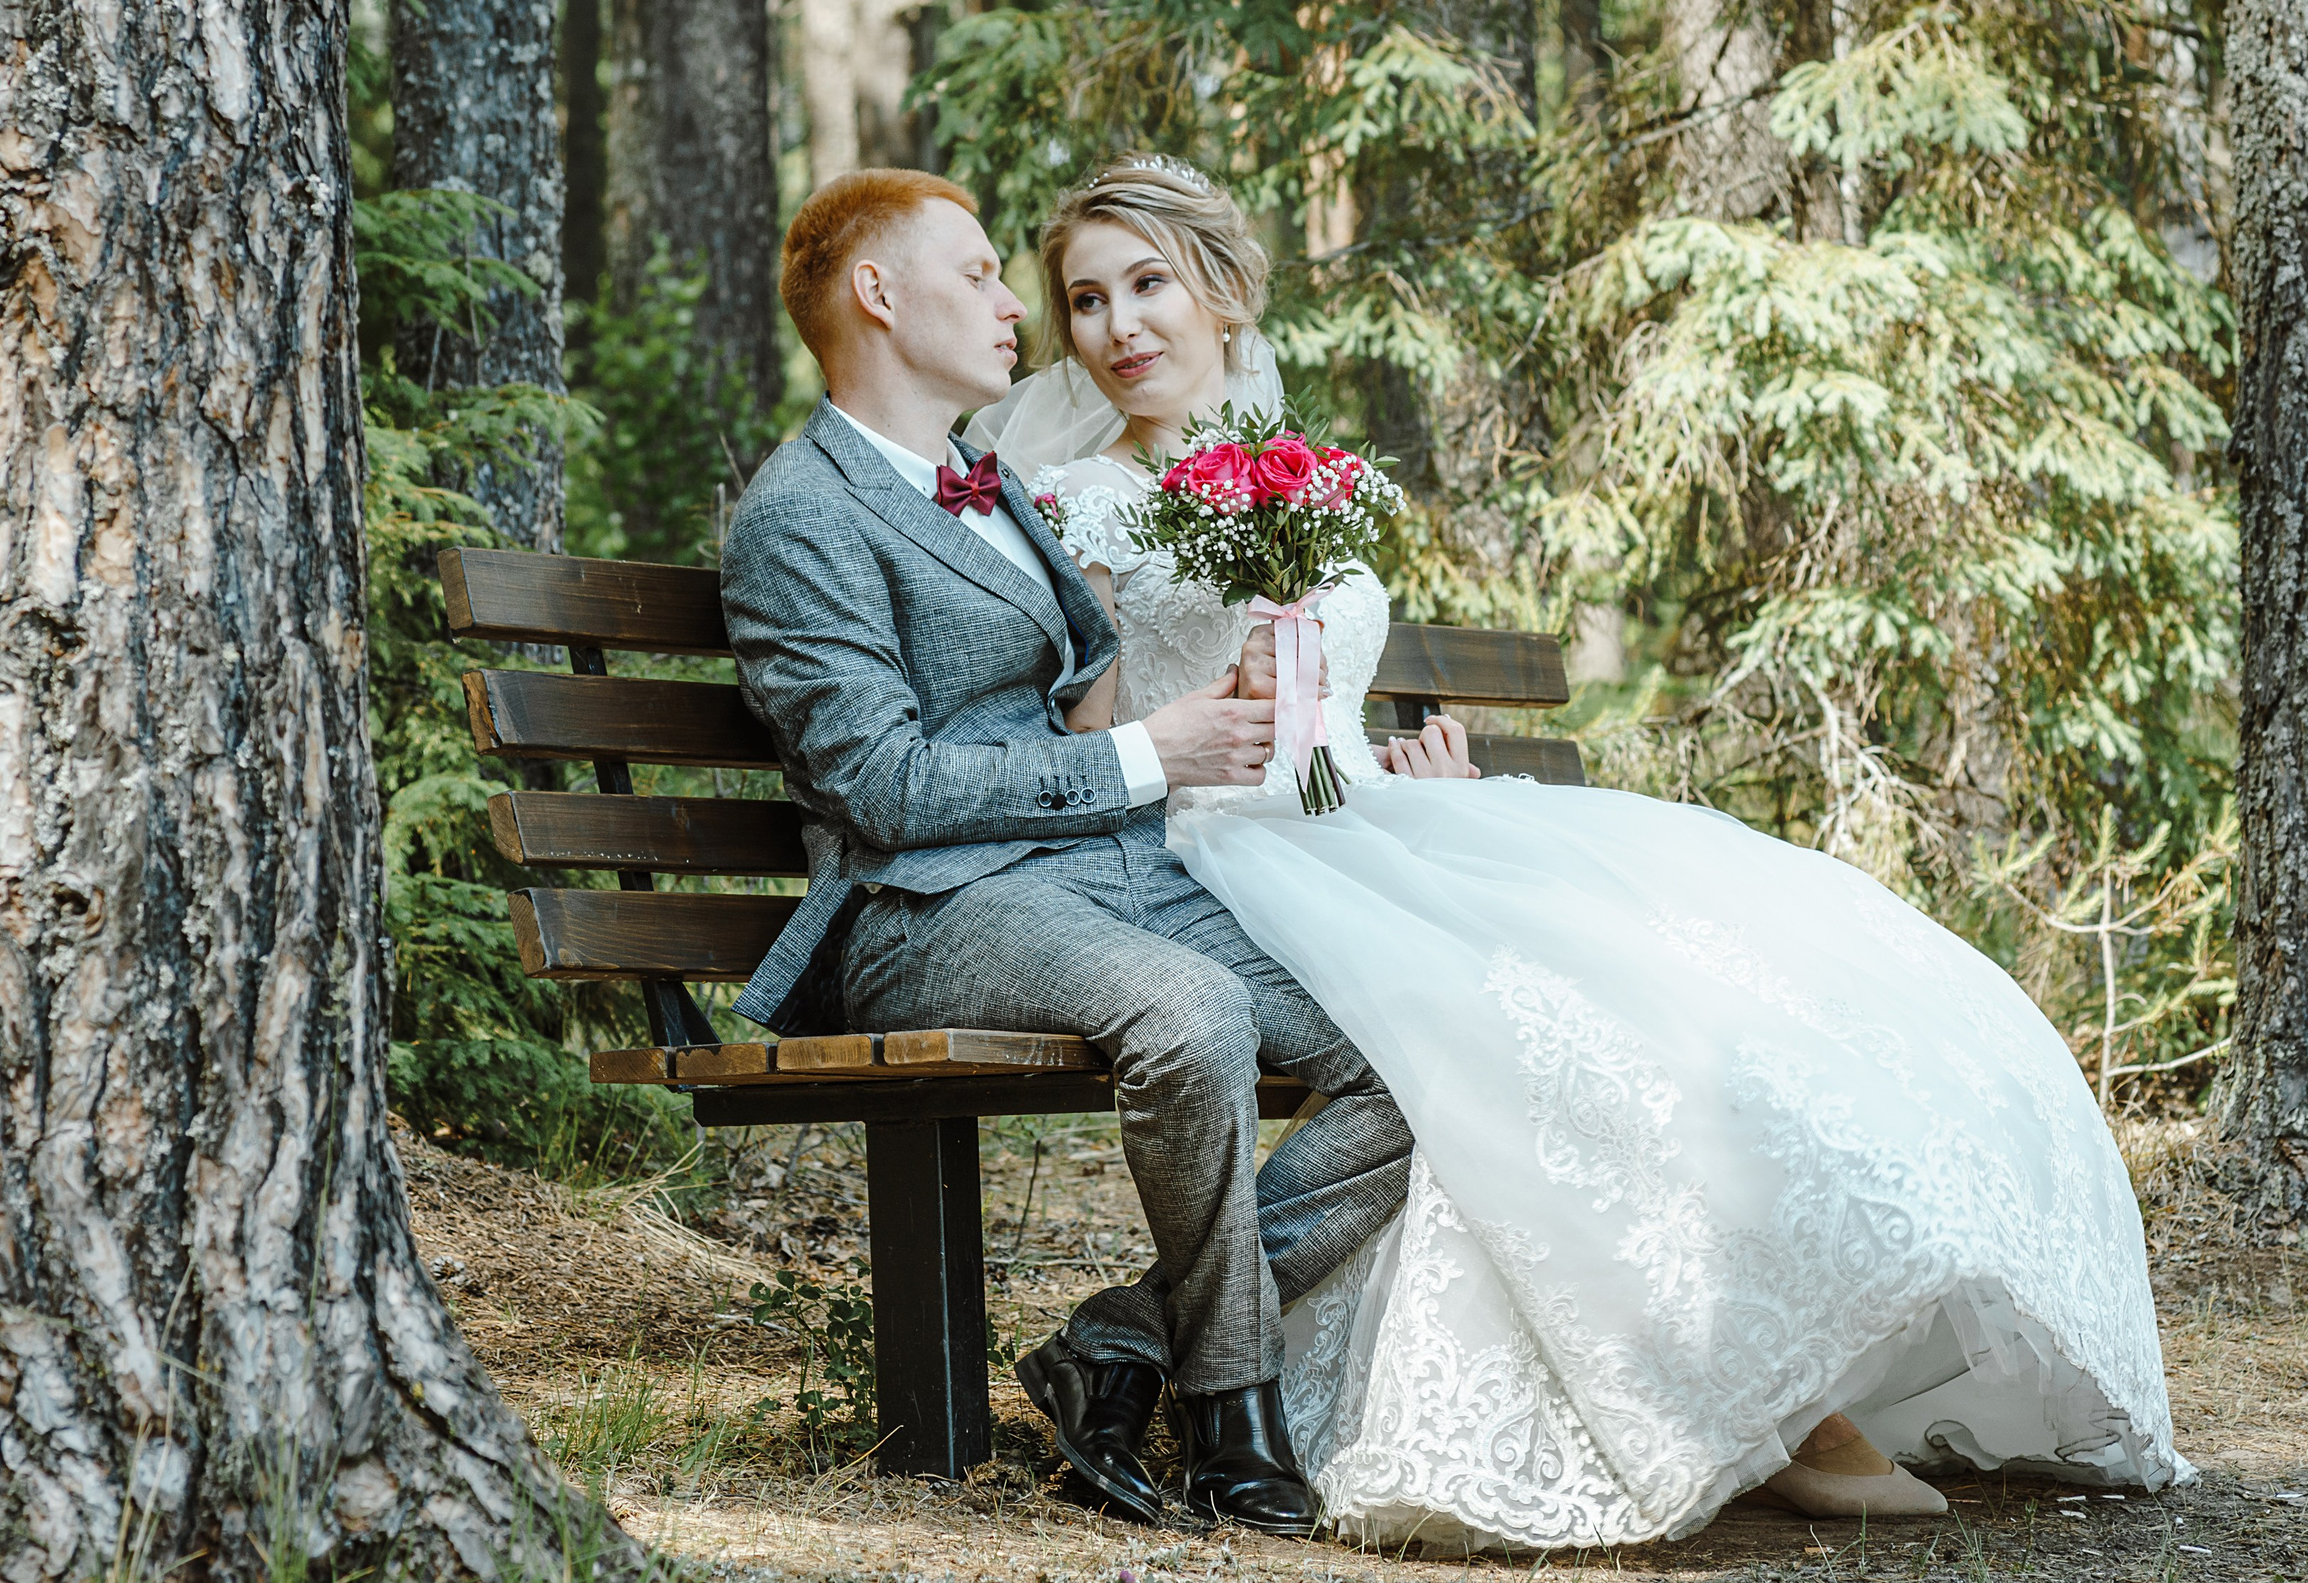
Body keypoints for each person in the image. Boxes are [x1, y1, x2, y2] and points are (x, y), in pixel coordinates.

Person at [965, 152, 2193, 1553]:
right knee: (1514, 1027)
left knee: (1690, 975)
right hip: (1215, 842)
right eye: (1085, 299)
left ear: (1224, 291)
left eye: (1148, 285)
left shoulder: (1300, 474)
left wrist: (1389, 758)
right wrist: (1208, 696)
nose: (1120, 326)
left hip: (1352, 815)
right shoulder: (1077, 501)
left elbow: (1333, 712)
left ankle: (1773, 1377)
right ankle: (1737, 1405)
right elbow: (1089, 729)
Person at [721, 168, 1415, 1537]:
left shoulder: (997, 489)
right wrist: (1149, 756)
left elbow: (1085, 680)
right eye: (978, 274)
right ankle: (1232, 1416)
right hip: (925, 908)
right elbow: (880, 784)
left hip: (1097, 871)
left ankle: (1124, 1343)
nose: (1012, 308)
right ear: (878, 293)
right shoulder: (801, 513)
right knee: (1194, 1011)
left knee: (1395, 1052)